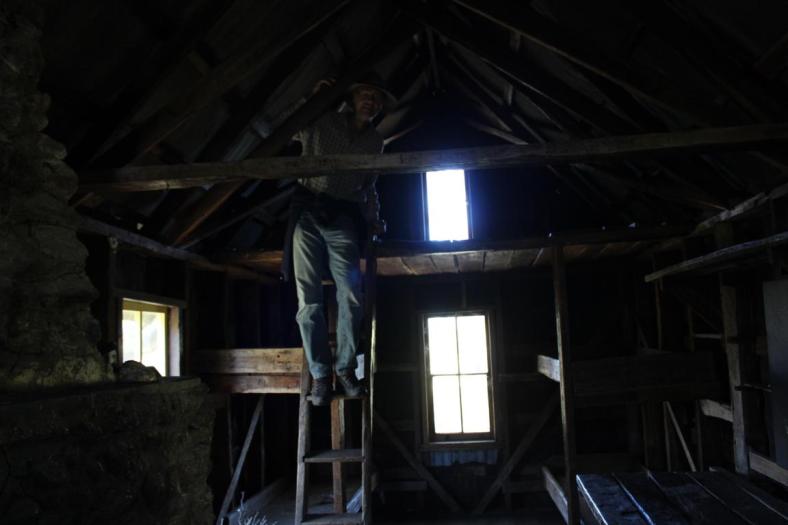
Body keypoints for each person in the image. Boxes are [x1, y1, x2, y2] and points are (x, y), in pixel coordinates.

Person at [283, 72, 395, 406]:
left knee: (351, 295)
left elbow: (369, 186)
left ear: (379, 107)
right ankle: (320, 374)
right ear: (352, 98)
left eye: (375, 97)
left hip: (343, 217)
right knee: (309, 300)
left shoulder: (375, 142)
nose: (369, 101)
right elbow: (290, 127)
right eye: (364, 93)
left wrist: (374, 220)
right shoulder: (322, 120)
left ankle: (345, 369)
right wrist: (311, 100)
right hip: (307, 213)